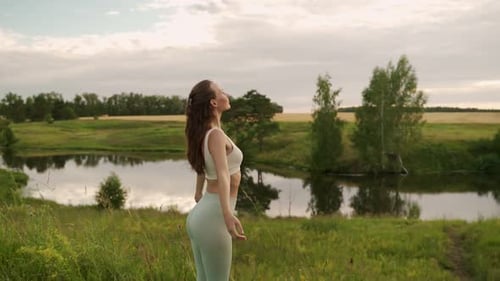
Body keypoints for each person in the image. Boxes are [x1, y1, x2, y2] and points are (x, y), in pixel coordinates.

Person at [185, 80, 247, 281]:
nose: (225, 93)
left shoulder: (206, 133)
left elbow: (203, 167)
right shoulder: (216, 135)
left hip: (202, 215)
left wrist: (198, 193)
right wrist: (227, 215)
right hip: (213, 218)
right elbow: (222, 174)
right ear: (213, 102)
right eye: (221, 91)